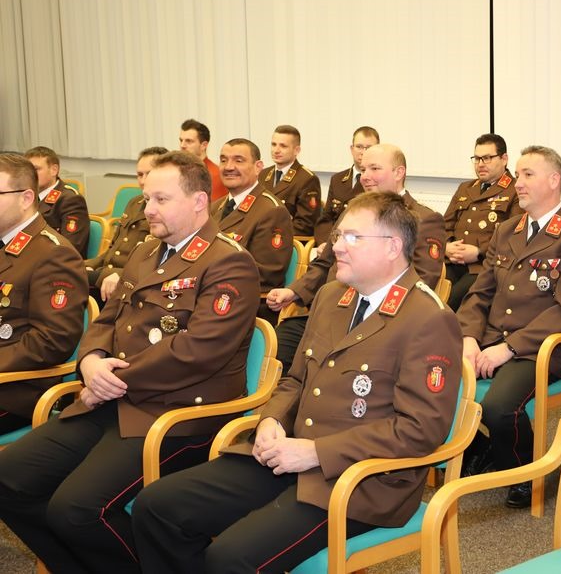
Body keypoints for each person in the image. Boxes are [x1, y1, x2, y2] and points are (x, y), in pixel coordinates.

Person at [131, 191, 463, 573]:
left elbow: (420, 429)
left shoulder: (428, 318)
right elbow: (296, 380)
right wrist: (272, 419)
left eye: (353, 237)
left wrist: (317, 452)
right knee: (157, 507)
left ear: (392, 247)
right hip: (289, 454)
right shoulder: (332, 296)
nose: (337, 246)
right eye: (338, 235)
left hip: (361, 481)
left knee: (231, 556)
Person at [0, 151, 260, 573]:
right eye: (146, 197)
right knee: (8, 478)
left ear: (199, 201)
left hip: (177, 414)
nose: (147, 208)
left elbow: (200, 350)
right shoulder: (146, 251)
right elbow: (106, 319)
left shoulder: (228, 261)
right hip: (112, 399)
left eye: (160, 199)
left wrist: (111, 378)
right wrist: (91, 361)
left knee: (76, 510)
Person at [457, 145, 561, 508]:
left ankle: (524, 472)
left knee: (499, 406)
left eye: (527, 175)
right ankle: (482, 448)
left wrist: (509, 348)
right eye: (518, 174)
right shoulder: (507, 230)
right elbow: (480, 292)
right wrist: (469, 337)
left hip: (539, 348)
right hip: (490, 339)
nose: (517, 182)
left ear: (554, 180)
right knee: (427, 376)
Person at [266, 143, 443, 369]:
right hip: (330, 312)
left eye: (374, 169)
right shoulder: (353, 213)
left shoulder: (423, 218)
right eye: (363, 170)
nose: (365, 177)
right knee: (279, 349)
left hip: (378, 320)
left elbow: (422, 280)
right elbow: (325, 263)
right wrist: (294, 291)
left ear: (399, 173)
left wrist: (366, 311)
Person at [0, 154, 88, 434]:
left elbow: (52, 340)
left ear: (26, 198)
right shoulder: (6, 243)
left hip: (15, 390)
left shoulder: (53, 254)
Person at [212, 139, 295, 323]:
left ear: (258, 167)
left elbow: (266, 275)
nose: (229, 167)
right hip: (210, 296)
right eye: (223, 160)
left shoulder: (271, 211)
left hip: (243, 306)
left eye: (238, 160)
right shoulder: (214, 208)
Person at [442, 133, 521, 309]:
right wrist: (446, 246)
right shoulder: (465, 188)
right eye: (477, 159)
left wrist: (479, 252)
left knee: (448, 303)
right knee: (428, 295)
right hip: (452, 262)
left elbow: (514, 237)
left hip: (484, 266)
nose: (480, 164)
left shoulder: (515, 190)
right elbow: (444, 225)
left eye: (487, 158)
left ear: (504, 159)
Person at [85, 146, 168, 305]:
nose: (143, 181)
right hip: (107, 276)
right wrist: (87, 265)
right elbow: (112, 250)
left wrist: (117, 274)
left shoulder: (166, 210)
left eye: (149, 174)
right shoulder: (134, 203)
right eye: (139, 175)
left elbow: (158, 263)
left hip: (132, 283)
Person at [313, 126, 379, 245]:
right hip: (333, 243)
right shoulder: (337, 180)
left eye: (369, 148)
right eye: (359, 147)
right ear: (352, 149)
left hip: (360, 245)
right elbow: (326, 219)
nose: (363, 152)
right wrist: (325, 244)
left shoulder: (378, 181)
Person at [24, 146, 91, 257]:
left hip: (54, 262)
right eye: (27, 170)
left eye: (36, 169)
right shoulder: (26, 196)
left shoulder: (70, 200)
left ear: (54, 170)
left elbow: (70, 247)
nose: (30, 174)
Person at [257, 125, 321, 237]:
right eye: (274, 144)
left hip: (283, 239)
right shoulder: (263, 174)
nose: (276, 150)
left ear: (296, 150)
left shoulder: (307, 179)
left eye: (283, 146)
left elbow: (305, 225)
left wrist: (267, 235)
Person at [179, 119, 228, 201]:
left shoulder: (215, 175)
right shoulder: (179, 171)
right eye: (181, 140)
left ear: (203, 145)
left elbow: (215, 207)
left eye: (189, 141)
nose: (182, 145)